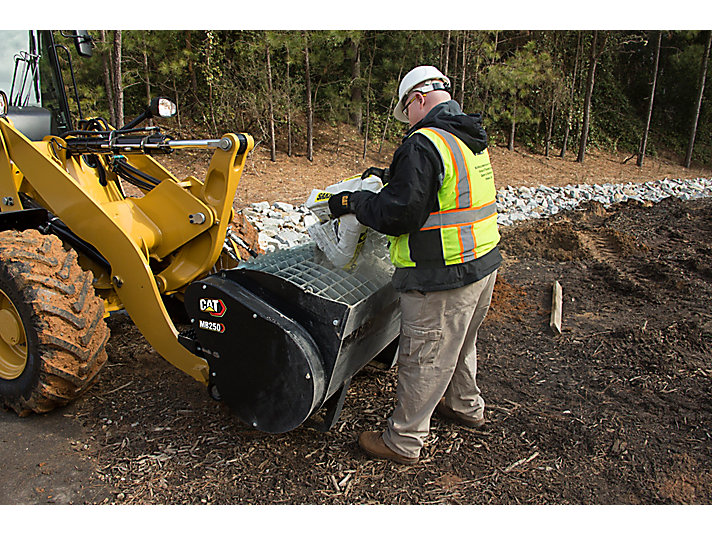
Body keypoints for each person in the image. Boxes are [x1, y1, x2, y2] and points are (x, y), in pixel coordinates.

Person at [328, 65, 502, 465]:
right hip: (481, 264)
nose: (407, 118)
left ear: (419, 98)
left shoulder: (423, 142)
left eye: (406, 108)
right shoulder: (466, 136)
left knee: (424, 356)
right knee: (459, 344)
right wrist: (392, 175)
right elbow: (440, 187)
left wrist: (351, 203)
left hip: (441, 273)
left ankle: (404, 440)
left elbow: (399, 215)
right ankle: (464, 406)